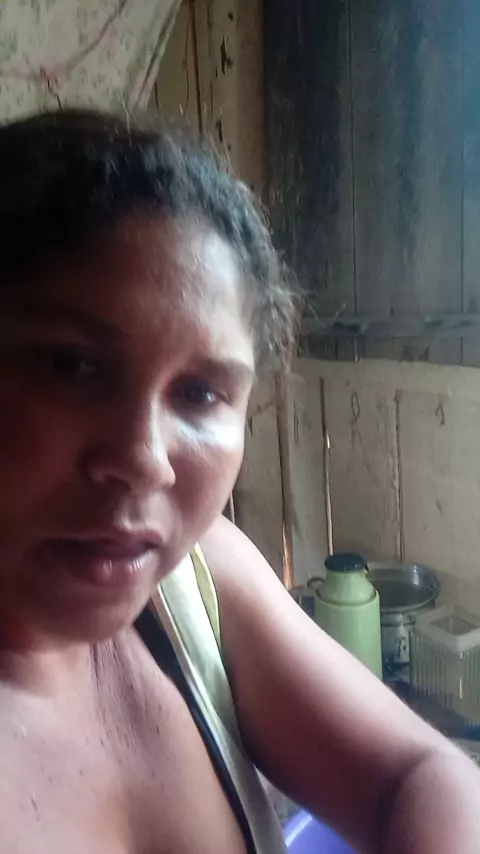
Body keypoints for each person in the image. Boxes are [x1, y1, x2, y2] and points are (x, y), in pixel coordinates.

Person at [0, 107, 479, 854]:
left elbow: (420, 775)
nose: (145, 458)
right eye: (71, 365)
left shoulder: (191, 587)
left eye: (199, 393)